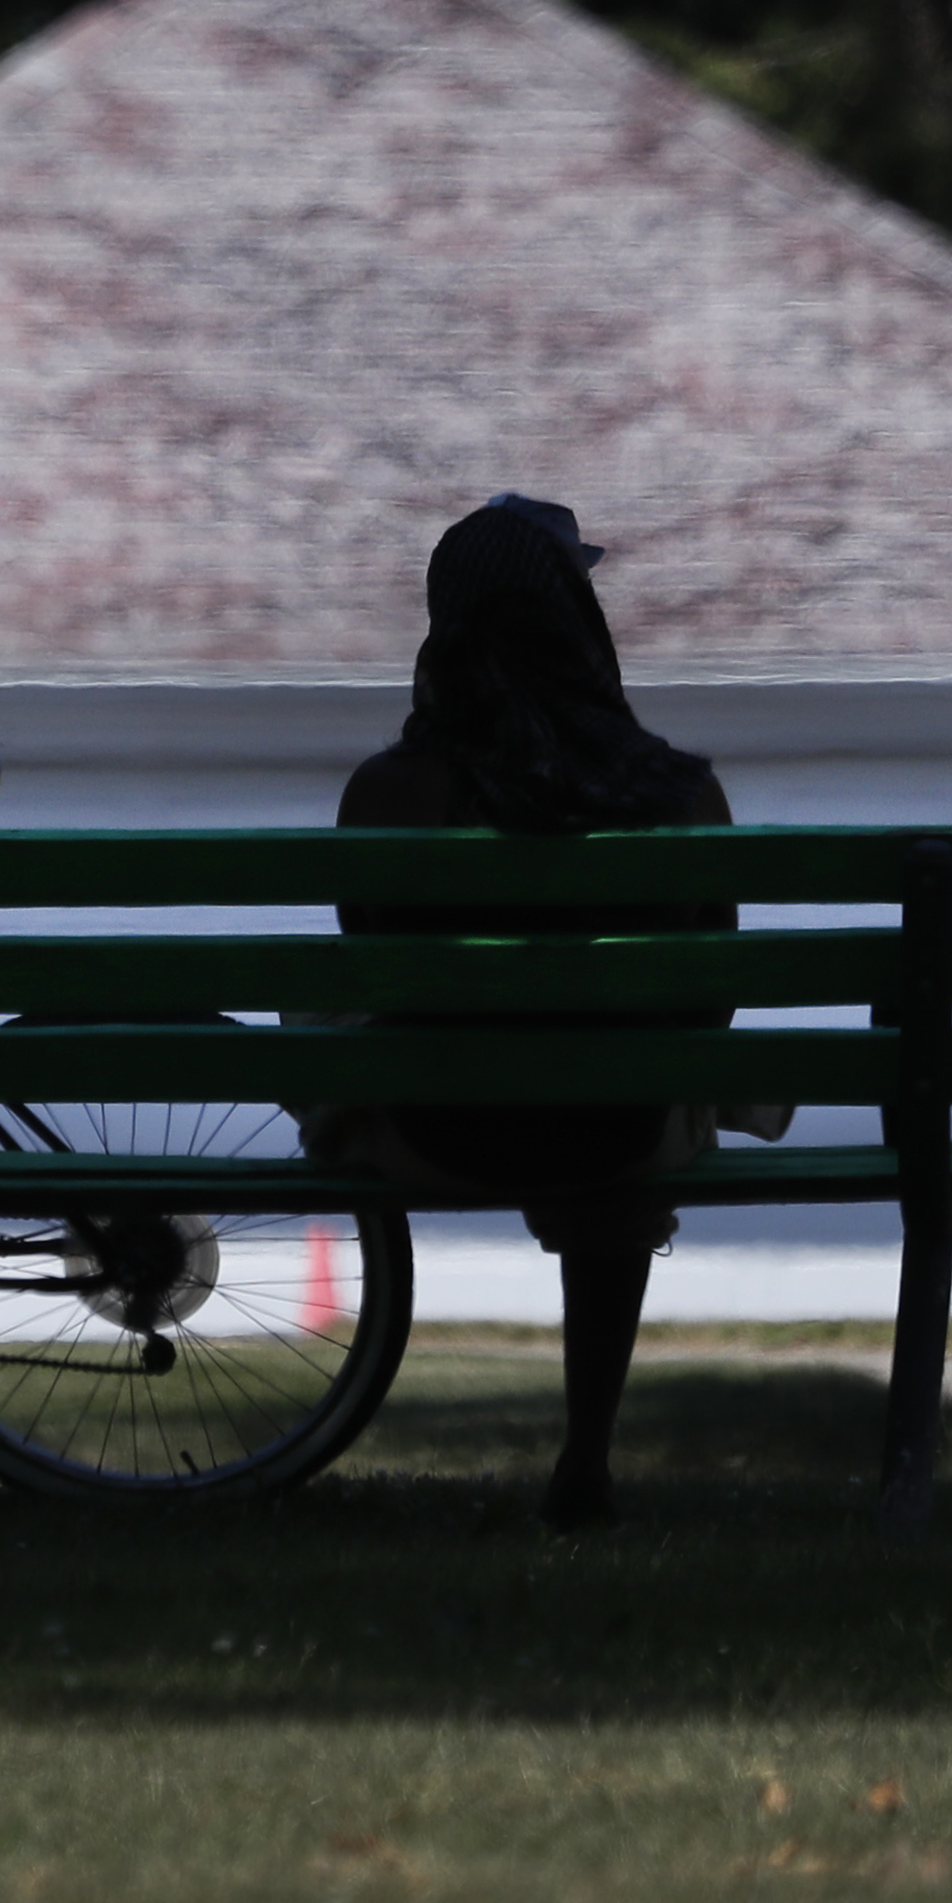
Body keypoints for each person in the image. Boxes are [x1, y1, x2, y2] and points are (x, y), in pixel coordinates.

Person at [325, 493, 758, 1528]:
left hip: (435, 1133)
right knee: (634, 1093)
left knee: (337, 1028)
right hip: (616, 1141)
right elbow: (716, 994)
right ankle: (588, 1455)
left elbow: (365, 969)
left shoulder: (387, 793)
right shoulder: (677, 793)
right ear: (580, 621)